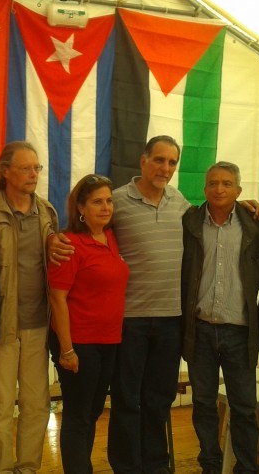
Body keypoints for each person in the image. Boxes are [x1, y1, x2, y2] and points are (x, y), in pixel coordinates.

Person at [107, 135, 192, 474]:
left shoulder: (180, 201)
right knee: (128, 399)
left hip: (171, 319)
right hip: (130, 319)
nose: (165, 168)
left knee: (158, 400)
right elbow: (88, 234)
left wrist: (245, 205)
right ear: (142, 161)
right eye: (159, 160)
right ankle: (127, 467)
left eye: (172, 162)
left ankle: (156, 465)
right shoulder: (116, 201)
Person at [0, 141, 60, 474]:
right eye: (26, 168)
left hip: (39, 323)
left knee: (37, 405)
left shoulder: (47, 211)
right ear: (5, 171)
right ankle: (1, 468)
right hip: (1, 326)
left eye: (36, 168)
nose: (33, 174)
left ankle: (28, 468)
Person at [181, 161, 259, 474]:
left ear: (239, 191)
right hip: (200, 330)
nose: (219, 189)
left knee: (243, 407)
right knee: (202, 404)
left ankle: (245, 467)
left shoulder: (255, 225)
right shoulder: (189, 221)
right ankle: (210, 465)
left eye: (227, 183)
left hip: (239, 332)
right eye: (213, 183)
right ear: (204, 189)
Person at [47, 174, 129, 474]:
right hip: (79, 343)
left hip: (109, 341)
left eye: (109, 201)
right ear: (81, 207)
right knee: (78, 417)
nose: (105, 207)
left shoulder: (110, 237)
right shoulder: (69, 244)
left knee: (93, 412)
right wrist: (67, 350)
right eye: (97, 202)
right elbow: (57, 299)